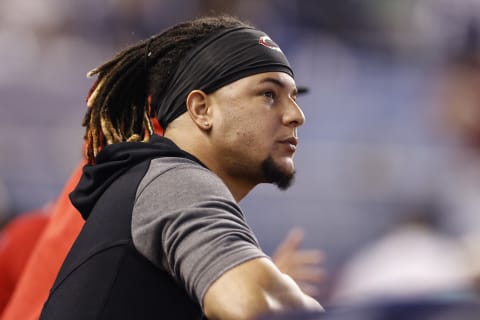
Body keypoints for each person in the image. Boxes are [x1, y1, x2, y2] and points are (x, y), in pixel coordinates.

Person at [39, 15, 323, 319]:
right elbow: (253, 305)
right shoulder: (176, 181)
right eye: (269, 94)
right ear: (201, 109)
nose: (296, 115)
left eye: (293, 97)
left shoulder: (152, 178)